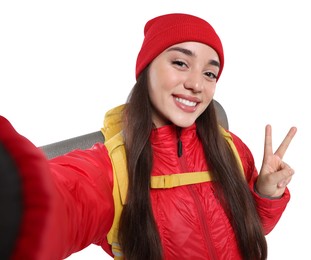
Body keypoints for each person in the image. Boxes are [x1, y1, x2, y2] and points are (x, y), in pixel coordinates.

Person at [0, 13, 297, 260]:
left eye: (210, 73)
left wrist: (265, 194)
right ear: (146, 69)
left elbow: (250, 231)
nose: (197, 84)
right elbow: (52, 204)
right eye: (180, 62)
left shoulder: (231, 148)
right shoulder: (112, 170)